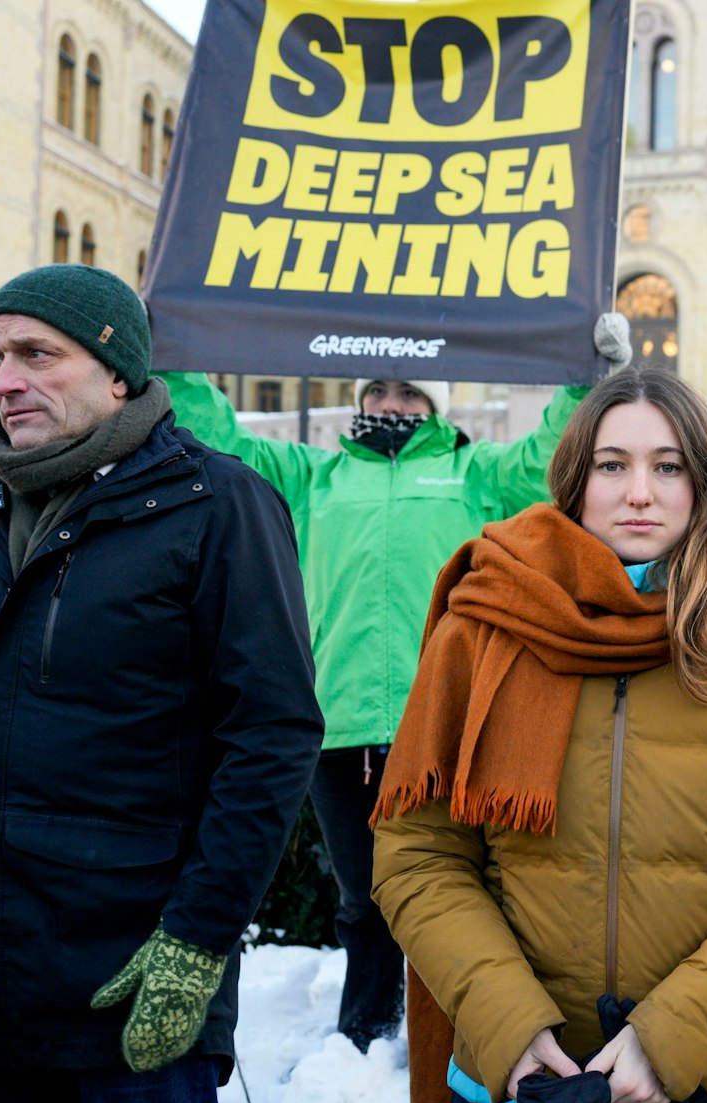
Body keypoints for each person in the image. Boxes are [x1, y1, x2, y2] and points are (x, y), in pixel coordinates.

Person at [371, 368, 707, 1103]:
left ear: (702, 483)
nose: (640, 493)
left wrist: (672, 1039)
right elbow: (419, 854)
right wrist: (510, 1025)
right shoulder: (483, 628)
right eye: (612, 465)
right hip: (520, 1088)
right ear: (575, 482)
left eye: (668, 467)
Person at [0, 265, 322, 1103]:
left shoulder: (218, 505)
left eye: (36, 354)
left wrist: (197, 940)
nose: (6, 380)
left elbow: (271, 737)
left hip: (129, 993)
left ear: (117, 370)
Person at [158, 314, 628, 1052]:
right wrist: (174, 356)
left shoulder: (475, 474)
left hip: (445, 721)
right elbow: (223, 440)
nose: (390, 403)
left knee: (457, 892)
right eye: (378, 390)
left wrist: (585, 376)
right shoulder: (313, 478)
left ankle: (460, 1034)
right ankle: (367, 1037)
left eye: (408, 392)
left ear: (433, 405)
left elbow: (549, 456)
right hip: (339, 723)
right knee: (363, 894)